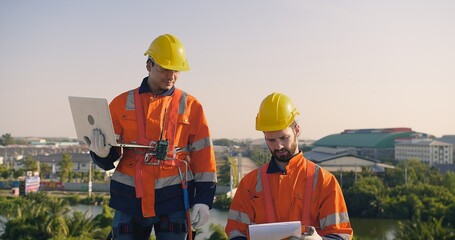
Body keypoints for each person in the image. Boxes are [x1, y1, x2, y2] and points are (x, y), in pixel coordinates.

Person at [88, 33, 217, 240]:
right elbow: (109, 157)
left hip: (174, 199)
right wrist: (101, 152)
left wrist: (204, 198)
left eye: (176, 70)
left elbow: (204, 157)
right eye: (165, 68)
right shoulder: (121, 103)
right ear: (149, 65)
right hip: (130, 199)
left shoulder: (192, 106)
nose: (171, 76)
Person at [225, 92, 353, 240]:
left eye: (284, 138)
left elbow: (341, 235)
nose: (278, 146)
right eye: (271, 140)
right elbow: (235, 231)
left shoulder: (325, 182)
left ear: (297, 130)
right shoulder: (249, 183)